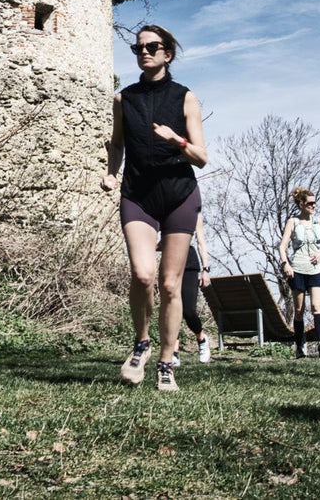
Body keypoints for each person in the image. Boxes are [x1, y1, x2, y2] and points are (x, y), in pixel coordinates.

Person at [102, 24, 209, 392]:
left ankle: (167, 362)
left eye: (152, 46)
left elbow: (202, 158)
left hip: (178, 194)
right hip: (138, 194)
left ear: (168, 53)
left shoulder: (184, 97)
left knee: (170, 283)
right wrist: (111, 173)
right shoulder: (123, 99)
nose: (144, 52)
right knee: (143, 275)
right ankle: (142, 343)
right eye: (138, 47)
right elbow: (116, 144)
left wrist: (176, 139)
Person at [278, 187, 320, 358]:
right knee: (299, 310)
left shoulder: (319, 222)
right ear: (301, 204)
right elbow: (282, 246)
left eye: (315, 203)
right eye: (310, 203)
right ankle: (300, 346)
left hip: (317, 270)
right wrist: (286, 264)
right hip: (298, 269)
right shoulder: (292, 222)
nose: (313, 206)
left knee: (316, 306)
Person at [166, 213, 215, 367]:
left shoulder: (194, 214)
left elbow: (201, 242)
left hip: (189, 263)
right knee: (172, 309)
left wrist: (206, 269)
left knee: (188, 310)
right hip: (170, 260)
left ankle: (201, 338)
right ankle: (174, 352)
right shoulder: (164, 209)